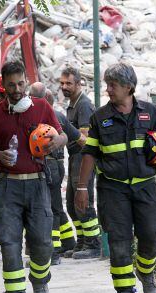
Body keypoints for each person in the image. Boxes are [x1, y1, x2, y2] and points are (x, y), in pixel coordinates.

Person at [75, 62, 156, 293]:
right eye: (107, 85)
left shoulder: (149, 112)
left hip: (145, 186)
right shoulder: (99, 117)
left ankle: (145, 271)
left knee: (151, 233)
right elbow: (89, 154)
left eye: (113, 85)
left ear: (129, 87)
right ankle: (124, 292)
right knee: (119, 240)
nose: (108, 90)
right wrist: (82, 189)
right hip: (112, 189)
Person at [0, 61, 67, 293]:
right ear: (3, 86)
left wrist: (54, 144)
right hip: (7, 186)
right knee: (8, 244)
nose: (16, 89)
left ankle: (40, 280)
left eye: (20, 84)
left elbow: (62, 135)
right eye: (11, 85)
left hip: (39, 183)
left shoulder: (41, 107)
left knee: (42, 242)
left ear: (26, 83)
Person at [28, 82, 84, 265]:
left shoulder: (35, 117)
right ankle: (68, 242)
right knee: (57, 207)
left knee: (48, 209)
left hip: (46, 166)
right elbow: (79, 138)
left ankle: (53, 252)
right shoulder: (60, 116)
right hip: (58, 166)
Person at [60, 67, 102, 259]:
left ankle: (93, 244)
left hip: (83, 157)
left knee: (83, 202)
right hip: (74, 156)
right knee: (71, 204)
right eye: (62, 83)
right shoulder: (72, 105)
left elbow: (85, 137)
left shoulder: (84, 105)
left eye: (68, 83)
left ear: (78, 84)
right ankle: (82, 242)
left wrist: (66, 128)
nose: (64, 86)